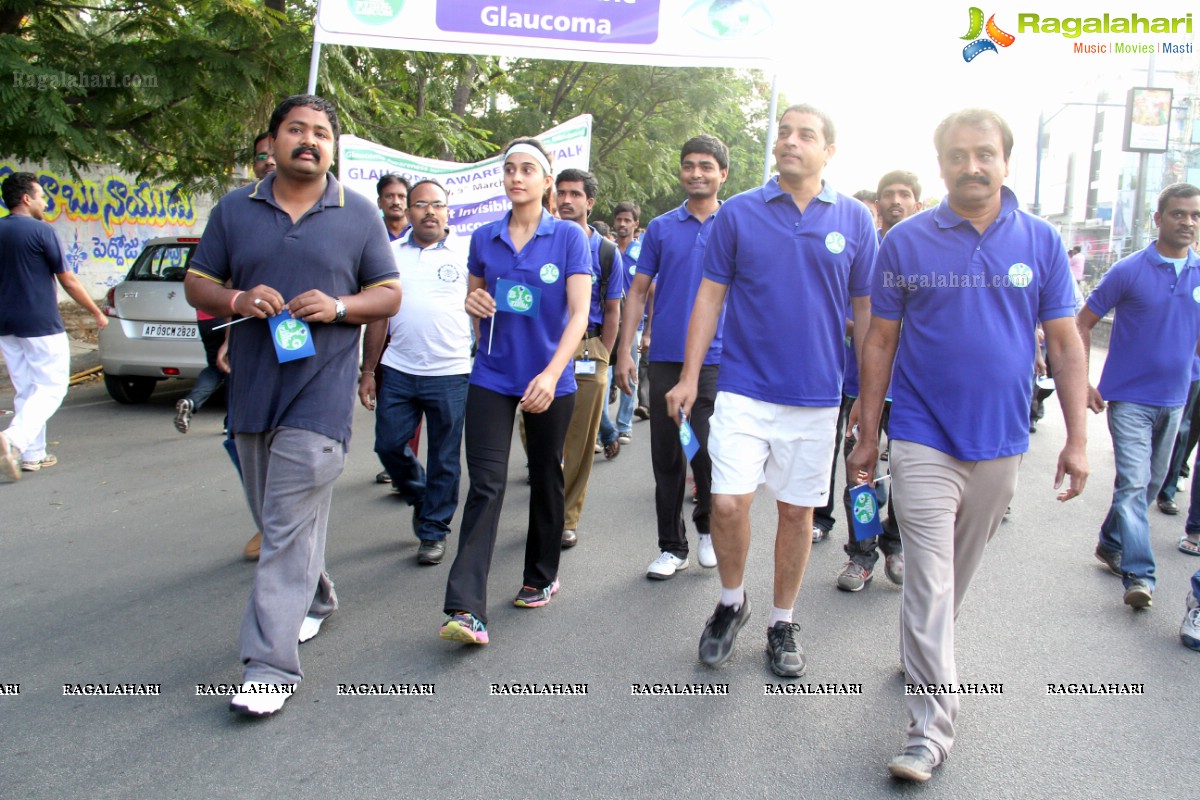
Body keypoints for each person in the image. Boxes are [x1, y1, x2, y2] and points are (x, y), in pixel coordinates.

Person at [847, 108, 1088, 782]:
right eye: (957, 155)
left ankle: (922, 651)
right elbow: (881, 340)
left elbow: (1065, 343)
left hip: (1002, 438)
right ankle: (930, 731)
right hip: (923, 432)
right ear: (941, 164)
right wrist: (869, 433)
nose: (972, 166)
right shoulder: (905, 242)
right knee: (927, 577)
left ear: (1006, 162)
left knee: (951, 579)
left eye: (984, 154)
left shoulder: (1040, 242)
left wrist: (1075, 438)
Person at [184, 94, 401, 716]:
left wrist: (338, 308)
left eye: (321, 133)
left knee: (282, 525)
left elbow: (387, 294)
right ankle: (317, 596)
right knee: (280, 520)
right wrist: (235, 300)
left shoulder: (357, 214)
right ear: (273, 140)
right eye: (296, 130)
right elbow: (198, 281)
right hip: (253, 393)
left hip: (321, 397)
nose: (309, 141)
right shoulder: (234, 209)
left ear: (334, 147)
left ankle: (268, 665)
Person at [666, 105, 876, 678]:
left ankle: (782, 620)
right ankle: (732, 601)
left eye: (806, 134)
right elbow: (709, 297)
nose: (790, 141)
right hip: (743, 388)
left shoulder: (856, 220)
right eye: (783, 132)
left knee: (796, 513)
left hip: (815, 396)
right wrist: (688, 376)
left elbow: (866, 312)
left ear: (828, 150)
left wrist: (867, 399)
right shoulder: (738, 214)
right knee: (729, 503)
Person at [439, 137, 591, 646]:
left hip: (550, 378)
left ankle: (540, 575)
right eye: (509, 169)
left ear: (547, 181)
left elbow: (578, 315)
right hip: (491, 374)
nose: (516, 177)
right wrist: (474, 302)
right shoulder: (483, 237)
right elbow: (473, 294)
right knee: (485, 484)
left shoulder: (569, 237)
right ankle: (465, 607)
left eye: (528, 169)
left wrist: (550, 374)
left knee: (546, 473)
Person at [1078, 183, 1200, 609]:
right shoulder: (1128, 270)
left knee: (1148, 485)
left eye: (1194, 216)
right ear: (1159, 219)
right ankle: (1140, 574)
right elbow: (1081, 323)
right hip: (1129, 399)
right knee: (1133, 484)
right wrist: (1083, 381)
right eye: (1179, 214)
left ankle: (1110, 542)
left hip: (1177, 398)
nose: (1187, 222)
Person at [615, 135, 730, 580]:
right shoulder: (661, 227)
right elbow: (639, 290)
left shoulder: (736, 222)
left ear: (723, 173)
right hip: (664, 357)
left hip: (719, 360)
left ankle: (706, 527)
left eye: (706, 166)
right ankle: (671, 545)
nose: (696, 172)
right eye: (688, 165)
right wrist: (625, 351)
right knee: (667, 454)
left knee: (703, 448)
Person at [358, 180, 471, 566]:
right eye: (420, 204)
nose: (429, 211)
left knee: (445, 457)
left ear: (447, 210)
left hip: (452, 371)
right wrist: (368, 369)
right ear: (407, 211)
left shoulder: (468, 254)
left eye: (437, 204)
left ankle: (433, 531)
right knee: (388, 445)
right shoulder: (388, 255)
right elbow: (377, 315)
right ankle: (422, 496)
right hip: (399, 369)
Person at [832, 169, 923, 592]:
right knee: (861, 473)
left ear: (918, 204)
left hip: (915, 392)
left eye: (904, 194)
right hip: (861, 386)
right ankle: (862, 553)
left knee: (912, 476)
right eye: (888, 195)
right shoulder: (861, 251)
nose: (895, 201)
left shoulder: (929, 254)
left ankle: (897, 541)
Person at [0, 172, 108, 480]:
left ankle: (33, 455)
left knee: (27, 388)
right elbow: (69, 280)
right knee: (53, 386)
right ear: (26, 199)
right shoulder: (40, 231)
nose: (44, 201)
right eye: (41, 195)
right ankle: (13, 439)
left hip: (5, 324)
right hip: (39, 322)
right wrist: (96, 313)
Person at [555, 169, 625, 549]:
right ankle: (547, 496)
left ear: (590, 202)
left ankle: (566, 518)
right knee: (534, 432)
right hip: (545, 350)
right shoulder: (542, 239)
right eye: (561, 193)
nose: (567, 200)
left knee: (580, 440)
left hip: (588, 350)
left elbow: (613, 309)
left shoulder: (605, 251)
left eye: (575, 194)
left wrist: (604, 355)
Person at [613, 201, 653, 420]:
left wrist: (648, 332)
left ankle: (623, 424)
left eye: (627, 220)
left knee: (629, 376)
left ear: (635, 224)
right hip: (606, 325)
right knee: (604, 378)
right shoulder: (607, 250)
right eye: (619, 219)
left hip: (634, 326)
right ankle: (602, 432)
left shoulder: (642, 253)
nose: (622, 224)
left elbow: (652, 294)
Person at [378, 174, 411, 242]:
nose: (396, 202)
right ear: (379, 202)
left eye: (401, 196)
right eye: (389, 196)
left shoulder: (419, 232)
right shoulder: (369, 232)